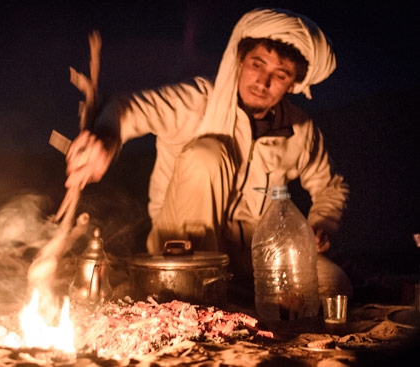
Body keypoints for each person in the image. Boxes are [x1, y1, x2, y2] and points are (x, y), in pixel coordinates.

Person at [64, 7, 352, 298]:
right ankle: (192, 293)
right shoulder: (197, 100)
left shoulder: (299, 129)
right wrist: (106, 137)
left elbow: (330, 186)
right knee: (207, 155)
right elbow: (129, 108)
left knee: (333, 286)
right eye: (257, 64)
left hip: (258, 253)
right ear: (240, 60)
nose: (263, 82)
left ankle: (237, 294)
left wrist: (320, 224)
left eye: (279, 75)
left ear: (294, 83)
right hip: (182, 246)